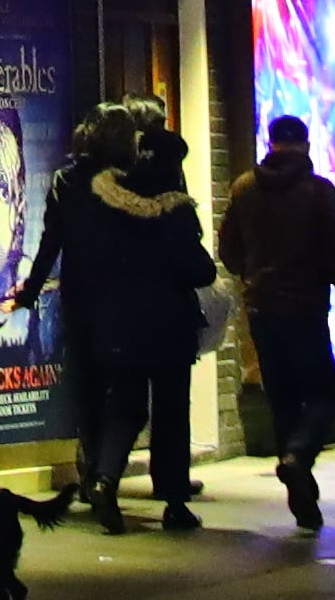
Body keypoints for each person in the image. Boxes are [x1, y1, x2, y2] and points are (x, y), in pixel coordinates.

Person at [55, 112, 216, 531]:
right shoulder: (176, 211)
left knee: (124, 406)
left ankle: (105, 478)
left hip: (119, 321)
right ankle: (175, 501)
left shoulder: (109, 203)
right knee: (171, 412)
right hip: (169, 325)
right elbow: (201, 270)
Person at [215, 111, 335, 532]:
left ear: (270, 143)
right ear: (304, 144)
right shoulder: (319, 192)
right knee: (323, 394)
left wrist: (251, 274)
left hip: (262, 309)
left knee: (282, 399)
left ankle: (300, 495)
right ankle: (299, 457)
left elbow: (227, 248)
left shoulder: (245, 187)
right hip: (306, 307)